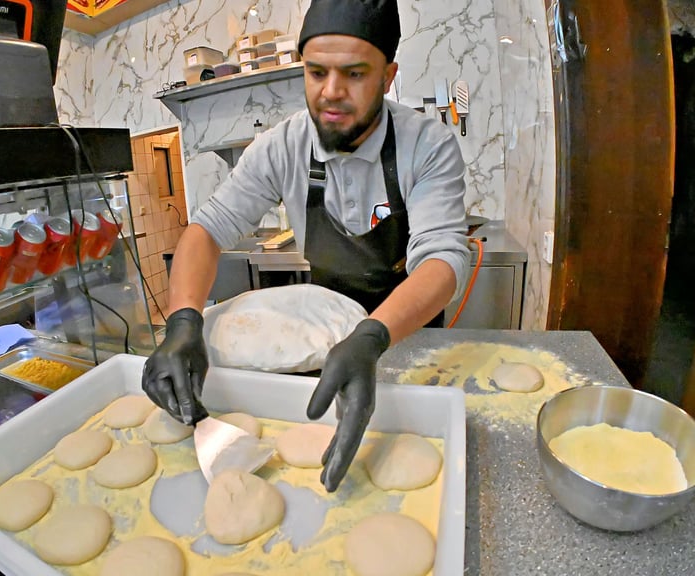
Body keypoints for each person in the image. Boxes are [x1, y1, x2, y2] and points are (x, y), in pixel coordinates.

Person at [142, 0, 469, 492]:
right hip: (321, 342)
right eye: (316, 73)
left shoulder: (428, 144)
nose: (331, 93)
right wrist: (184, 320)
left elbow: (442, 259)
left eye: (354, 74)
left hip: (409, 337)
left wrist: (372, 337)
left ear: (388, 75)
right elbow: (206, 230)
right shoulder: (282, 146)